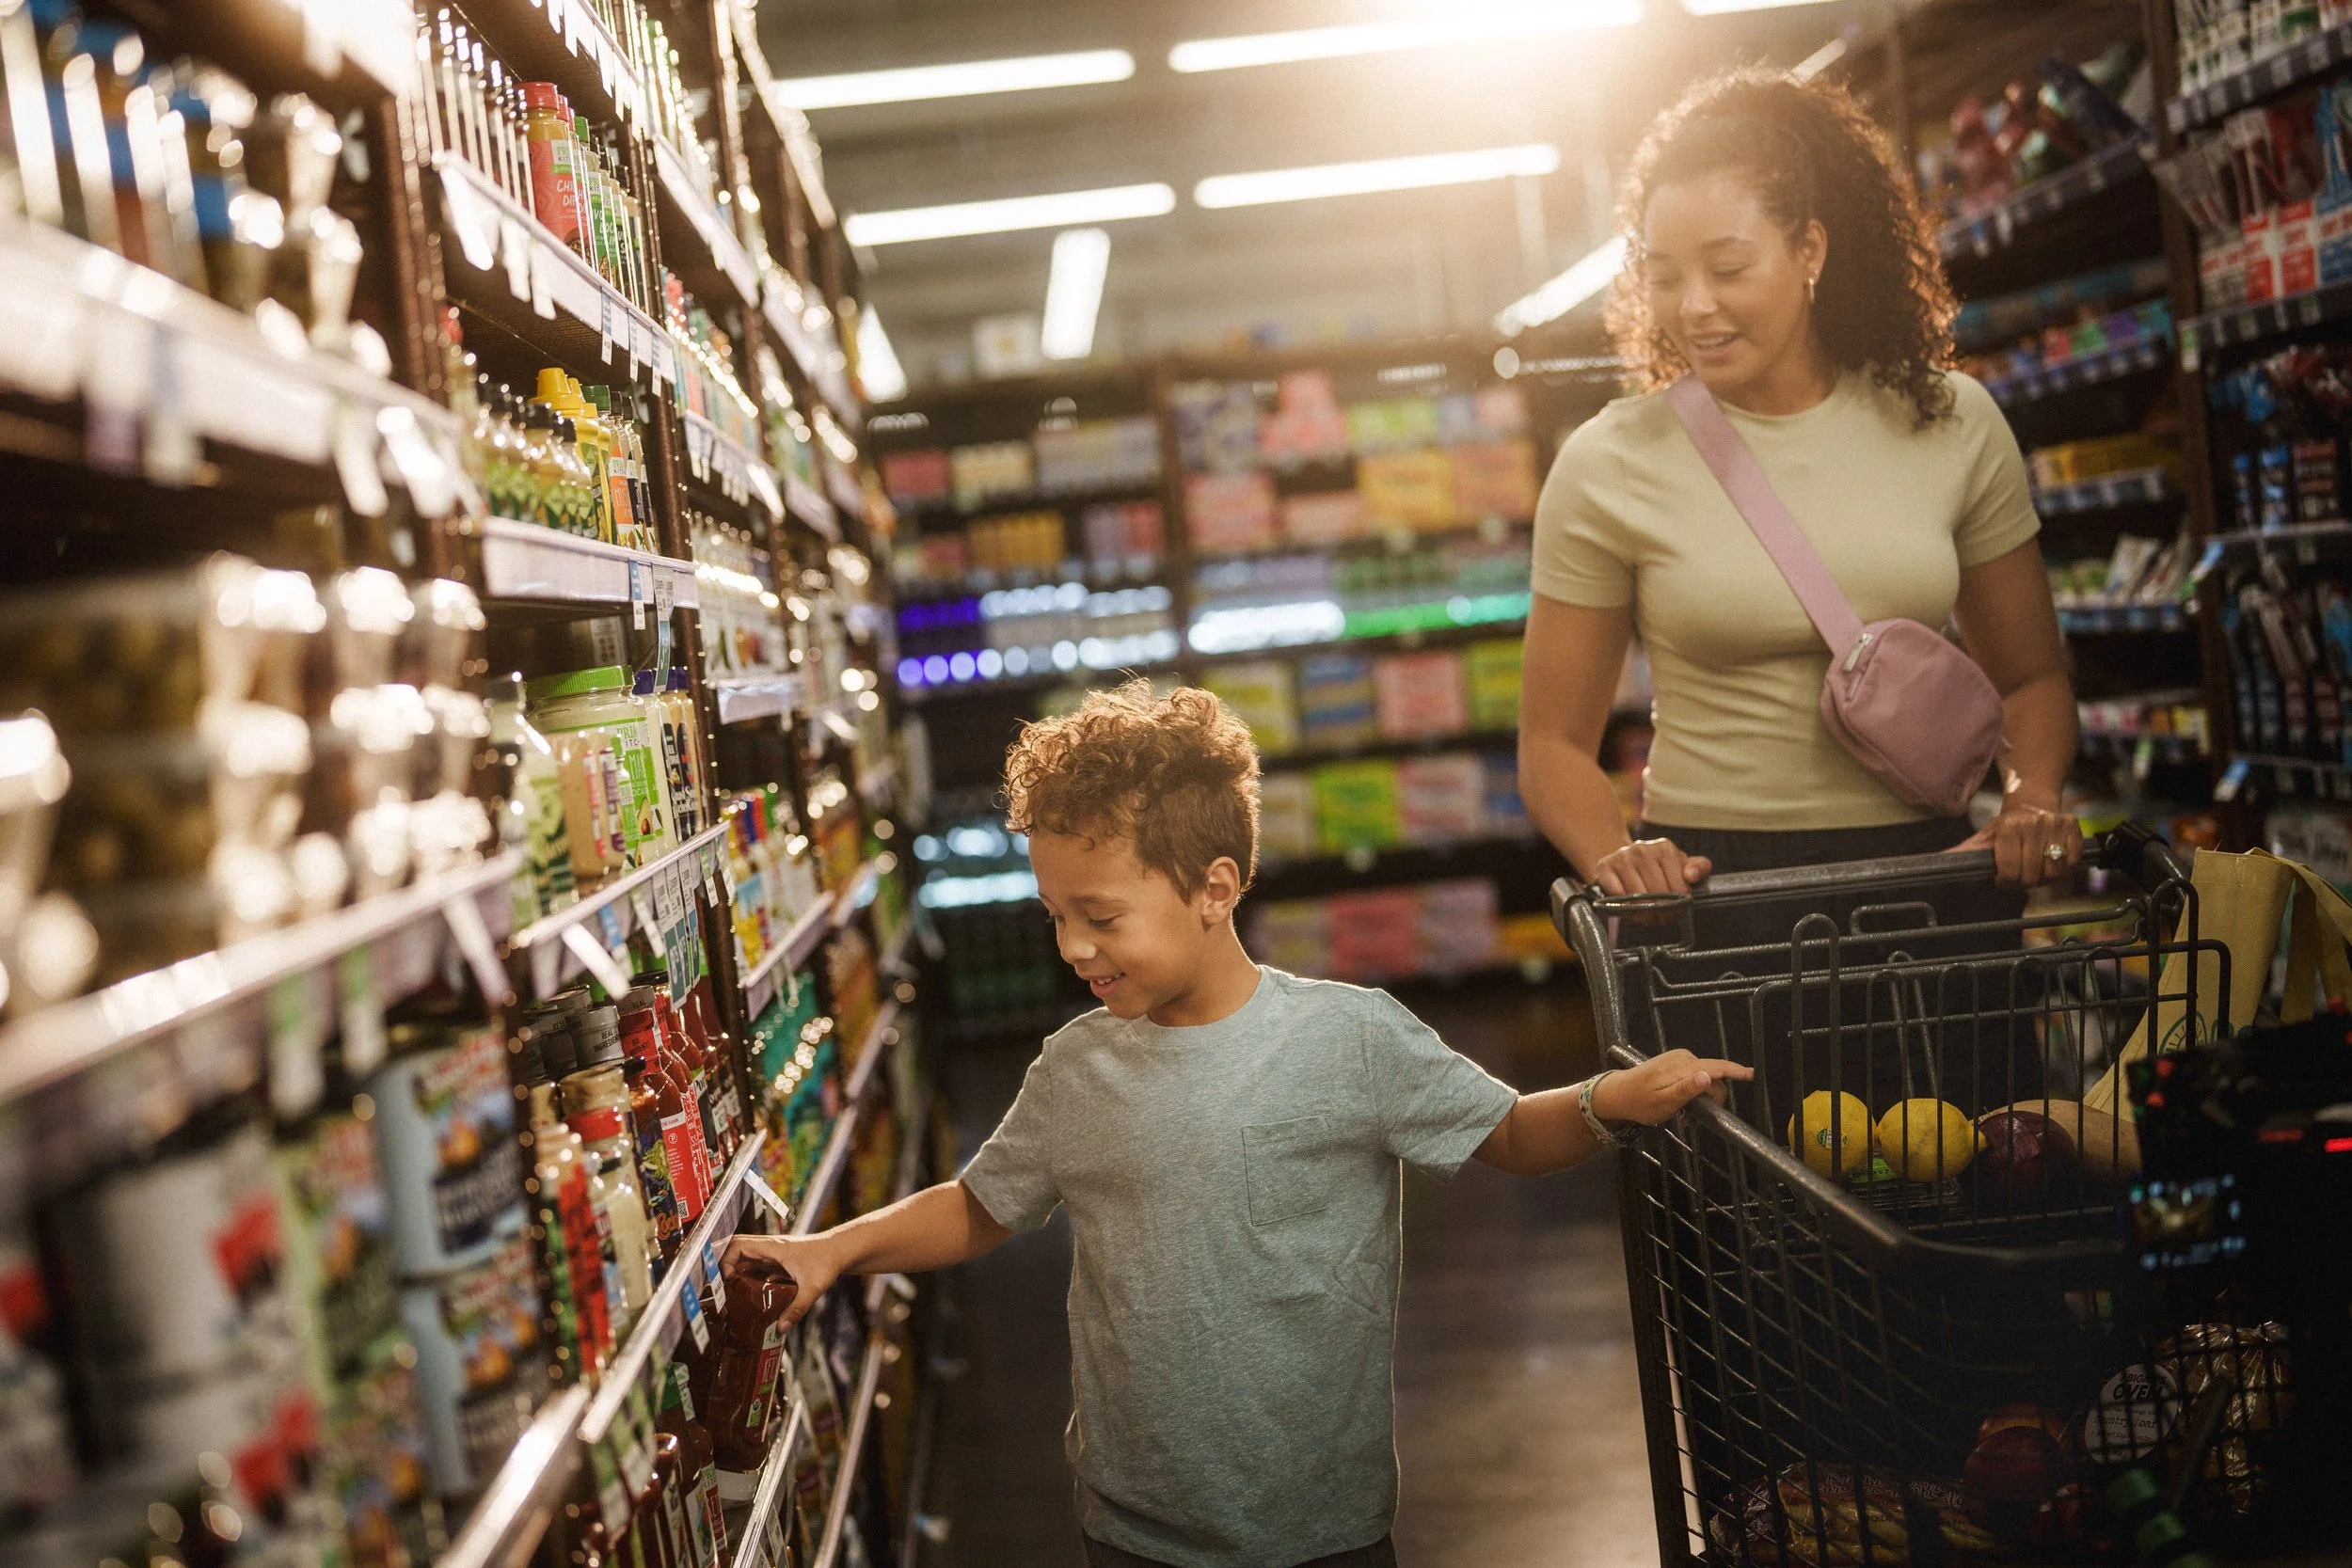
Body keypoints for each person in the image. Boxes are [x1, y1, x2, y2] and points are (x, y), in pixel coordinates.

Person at [732, 681, 1751, 1568]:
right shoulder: (1078, 1067)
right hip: (1132, 1524)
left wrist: (1610, 1099)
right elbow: (979, 1205)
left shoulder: (1349, 1038)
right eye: (1054, 914)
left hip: (1324, 1520)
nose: (1071, 945)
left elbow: (1509, 1133)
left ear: (1215, 887)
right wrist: (833, 1248)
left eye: (1100, 913)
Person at [1518, 69, 2083, 906]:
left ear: (1810, 250)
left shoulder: (1950, 421)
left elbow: (2034, 680)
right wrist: (1616, 854)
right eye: (1665, 275)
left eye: (1729, 266)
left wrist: (2032, 797)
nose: (1695, 306)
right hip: (1712, 893)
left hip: (1935, 875)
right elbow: (1553, 741)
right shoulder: (1611, 462)